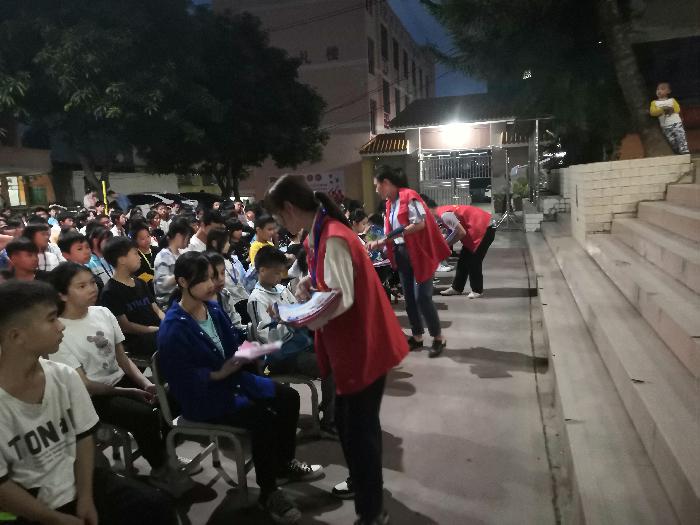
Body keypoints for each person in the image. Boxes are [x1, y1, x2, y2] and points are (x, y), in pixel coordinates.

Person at [265, 175, 409, 525]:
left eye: (279, 217)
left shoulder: (333, 237)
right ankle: (364, 485)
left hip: (361, 346)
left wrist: (292, 314)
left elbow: (337, 299)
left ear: (289, 209)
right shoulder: (319, 234)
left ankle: (371, 511)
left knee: (359, 432)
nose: (280, 225)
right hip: (351, 346)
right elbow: (331, 282)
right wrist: (309, 283)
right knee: (350, 426)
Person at [157, 251, 323, 524]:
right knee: (263, 419)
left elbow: (232, 344)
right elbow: (180, 379)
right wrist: (217, 373)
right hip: (204, 398)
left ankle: (283, 465)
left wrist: (254, 347)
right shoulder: (174, 326)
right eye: (205, 279)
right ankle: (268, 493)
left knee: (289, 397)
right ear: (183, 282)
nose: (213, 284)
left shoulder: (212, 310)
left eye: (212, 277)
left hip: (231, 382)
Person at [247, 246, 335, 434]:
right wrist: (292, 322)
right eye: (276, 273)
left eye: (282, 272)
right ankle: (330, 421)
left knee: (338, 353)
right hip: (281, 357)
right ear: (262, 270)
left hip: (299, 345)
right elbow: (266, 337)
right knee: (330, 366)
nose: (280, 277)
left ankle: (331, 407)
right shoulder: (257, 299)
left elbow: (296, 312)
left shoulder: (281, 289)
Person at [368, 166, 451, 357]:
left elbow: (419, 223)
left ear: (386, 183)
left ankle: (438, 337)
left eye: (377, 186)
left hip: (419, 253)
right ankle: (417, 336)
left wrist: (384, 240)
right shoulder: (390, 204)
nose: (376, 190)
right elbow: (392, 231)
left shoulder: (410, 196)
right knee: (410, 299)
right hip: (401, 253)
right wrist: (382, 243)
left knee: (422, 297)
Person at [100, 237, 164, 359]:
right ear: (122, 259)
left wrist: (167, 322)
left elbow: (156, 309)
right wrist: (158, 329)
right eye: (135, 253)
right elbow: (126, 326)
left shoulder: (140, 282)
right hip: (138, 340)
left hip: (157, 330)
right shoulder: (110, 292)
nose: (139, 257)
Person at [428, 202, 497, 298]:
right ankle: (457, 288)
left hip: (484, 228)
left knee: (474, 260)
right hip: (477, 228)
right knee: (463, 260)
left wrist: (445, 245)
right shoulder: (442, 214)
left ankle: (477, 290)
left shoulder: (444, 215)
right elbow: (451, 231)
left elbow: (461, 233)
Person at [154, 219, 191, 309]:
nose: (189, 241)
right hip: (168, 304)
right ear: (179, 236)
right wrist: (184, 273)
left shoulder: (180, 254)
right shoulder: (163, 256)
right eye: (187, 237)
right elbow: (161, 285)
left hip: (180, 300)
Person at [650, 82, 690, 154]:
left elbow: (677, 109)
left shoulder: (672, 100)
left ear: (668, 91)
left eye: (662, 89)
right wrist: (662, 110)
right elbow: (653, 112)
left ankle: (684, 150)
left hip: (676, 122)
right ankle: (676, 150)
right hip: (665, 126)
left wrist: (671, 109)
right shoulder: (654, 103)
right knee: (671, 140)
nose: (659, 91)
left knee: (681, 136)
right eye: (657, 89)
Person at [131, 222, 160, 292]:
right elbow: (140, 276)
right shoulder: (135, 256)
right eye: (142, 238)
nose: (147, 240)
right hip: (149, 290)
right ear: (135, 240)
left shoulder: (157, 250)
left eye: (148, 236)